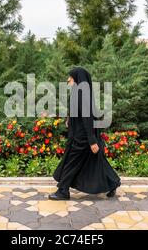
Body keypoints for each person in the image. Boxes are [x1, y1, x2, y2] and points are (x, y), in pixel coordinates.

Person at [49, 67, 121, 201]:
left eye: (70, 77)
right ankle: (113, 182)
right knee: (94, 160)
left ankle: (63, 190)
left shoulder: (83, 93)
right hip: (79, 135)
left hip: (82, 137)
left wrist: (92, 140)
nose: (68, 79)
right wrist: (70, 119)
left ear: (77, 78)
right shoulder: (79, 92)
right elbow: (79, 112)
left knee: (71, 162)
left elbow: (88, 118)